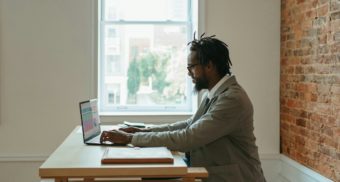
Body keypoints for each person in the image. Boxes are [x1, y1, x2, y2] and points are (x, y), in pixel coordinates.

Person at [100, 34, 266, 182]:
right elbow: (189, 125)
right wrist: (141, 131)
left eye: (191, 67)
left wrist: (130, 139)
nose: (189, 73)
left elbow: (189, 137)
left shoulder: (232, 99)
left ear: (209, 66)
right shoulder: (214, 93)